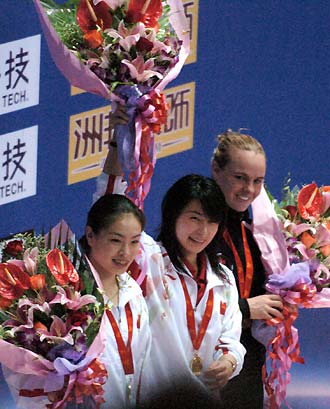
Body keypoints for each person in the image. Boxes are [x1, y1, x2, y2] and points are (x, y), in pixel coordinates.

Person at [99, 138, 246, 403]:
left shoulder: (223, 278)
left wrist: (229, 361)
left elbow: (231, 338)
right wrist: (118, 142)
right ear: (173, 215)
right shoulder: (149, 259)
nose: (202, 232)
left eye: (212, 222)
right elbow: (109, 208)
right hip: (153, 402)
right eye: (194, 219)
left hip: (203, 402)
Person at [211, 129, 284, 409]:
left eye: (258, 181)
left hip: (248, 362)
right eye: (240, 178)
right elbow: (180, 304)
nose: (249, 190)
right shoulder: (196, 230)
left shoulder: (255, 235)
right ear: (216, 170)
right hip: (207, 363)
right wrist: (244, 308)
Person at [79, 193, 151, 408]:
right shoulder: (68, 296)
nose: (126, 252)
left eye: (135, 242)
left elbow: (143, 361)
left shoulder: (133, 292)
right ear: (90, 235)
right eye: (115, 240)